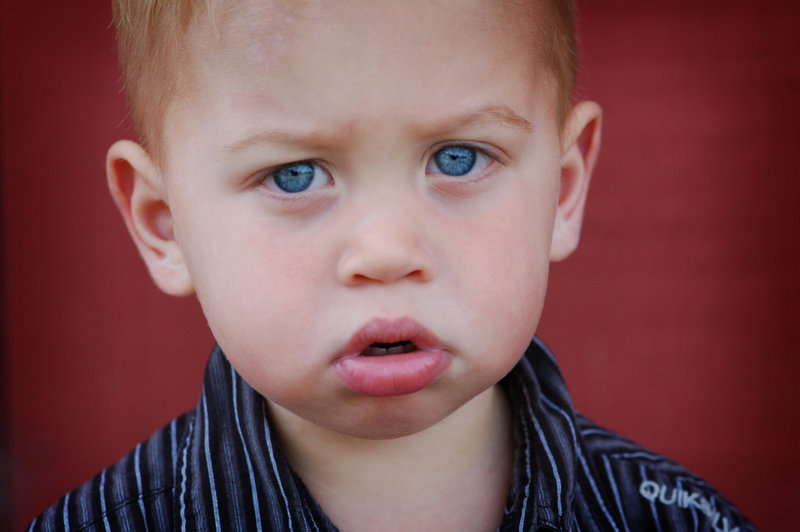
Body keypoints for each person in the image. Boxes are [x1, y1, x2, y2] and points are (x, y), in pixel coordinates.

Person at [29, 0, 756, 530]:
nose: (386, 252)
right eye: (295, 175)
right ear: (166, 225)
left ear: (563, 190)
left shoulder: (677, 521)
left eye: (458, 158)